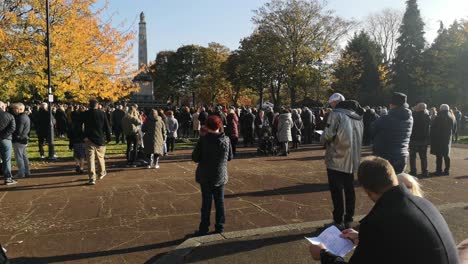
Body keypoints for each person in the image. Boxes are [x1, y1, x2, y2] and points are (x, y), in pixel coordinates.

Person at [309, 156, 460, 264]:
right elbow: (401, 241)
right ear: (394, 176)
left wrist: (324, 254)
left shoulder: (378, 222)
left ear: (368, 192)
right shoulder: (423, 203)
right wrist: (363, 238)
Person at [320, 93, 363, 229]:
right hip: (352, 159)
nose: (330, 106)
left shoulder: (336, 114)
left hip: (336, 157)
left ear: (336, 102)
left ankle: (338, 220)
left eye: (331, 103)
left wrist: (322, 140)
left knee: (336, 191)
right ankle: (349, 219)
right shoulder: (358, 116)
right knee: (350, 189)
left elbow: (327, 135)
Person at [192, 115, 233, 235]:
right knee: (219, 201)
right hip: (220, 174)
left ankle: (204, 228)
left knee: (206, 202)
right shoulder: (226, 139)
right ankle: (220, 226)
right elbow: (230, 157)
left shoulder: (204, 140)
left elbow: (195, 157)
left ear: (207, 126)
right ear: (219, 126)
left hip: (205, 174)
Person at [371, 92, 413, 174]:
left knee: (383, 183)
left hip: (385, 156)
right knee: (397, 181)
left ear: (392, 105)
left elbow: (371, 131)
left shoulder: (385, 119)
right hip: (402, 154)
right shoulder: (410, 118)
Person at [83, 99, 111, 185]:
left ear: (89, 105)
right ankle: (101, 173)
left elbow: (79, 124)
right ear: (97, 105)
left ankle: (92, 178)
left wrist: (83, 136)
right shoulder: (102, 114)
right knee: (100, 157)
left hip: (89, 139)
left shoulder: (85, 114)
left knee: (90, 159)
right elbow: (107, 126)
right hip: (100, 138)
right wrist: (109, 137)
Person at [430, 104, 456, 176]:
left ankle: (439, 170)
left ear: (441, 109)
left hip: (439, 138)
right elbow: (454, 129)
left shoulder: (438, 117)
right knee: (446, 155)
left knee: (439, 155)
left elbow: (433, 128)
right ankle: (447, 170)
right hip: (448, 138)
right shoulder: (452, 116)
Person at [409, 103, 431, 178]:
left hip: (414, 139)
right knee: (423, 157)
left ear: (418, 108)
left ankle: (413, 171)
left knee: (412, 156)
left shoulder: (413, 115)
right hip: (424, 140)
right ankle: (425, 171)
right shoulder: (427, 116)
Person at [11, 103, 31, 178]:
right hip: (23, 139)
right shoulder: (25, 116)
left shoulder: (20, 118)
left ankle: (21, 173)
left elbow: (18, 131)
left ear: (20, 109)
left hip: (19, 140)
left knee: (19, 157)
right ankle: (27, 171)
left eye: (15, 108)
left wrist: (14, 135)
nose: (13, 110)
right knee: (24, 156)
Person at [0, 101, 17, 185]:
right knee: (6, 159)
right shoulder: (9, 116)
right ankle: (8, 178)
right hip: (5, 139)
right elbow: (12, 128)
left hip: (4, 138)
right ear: (3, 107)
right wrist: (3, 136)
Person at [69, 105, 86, 174]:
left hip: (74, 140)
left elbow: (70, 134)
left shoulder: (72, 125)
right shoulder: (82, 125)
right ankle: (81, 168)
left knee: (76, 154)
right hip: (81, 141)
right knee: (82, 155)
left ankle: (77, 164)